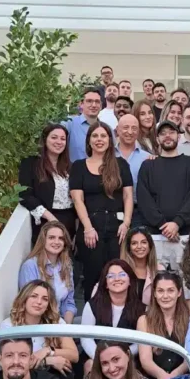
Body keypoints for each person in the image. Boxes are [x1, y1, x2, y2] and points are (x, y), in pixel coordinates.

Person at [69, 122, 134, 300]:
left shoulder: (120, 164)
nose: (99, 140)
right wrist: (88, 228)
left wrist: (126, 223)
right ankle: (91, 313)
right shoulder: (79, 166)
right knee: (93, 276)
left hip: (117, 228)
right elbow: (77, 199)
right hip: (91, 228)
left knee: (116, 275)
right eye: (95, 136)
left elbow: (128, 196)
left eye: (103, 136)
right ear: (89, 141)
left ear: (110, 140)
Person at [136, 120, 190, 270]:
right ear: (157, 139)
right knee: (155, 280)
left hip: (184, 235)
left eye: (171, 132)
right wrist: (163, 225)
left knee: (185, 280)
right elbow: (144, 199)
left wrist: (177, 223)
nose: (167, 136)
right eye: (163, 133)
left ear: (178, 136)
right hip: (155, 236)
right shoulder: (148, 166)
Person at [0, 280, 78, 379]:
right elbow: (15, 363)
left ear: (48, 305)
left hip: (50, 377)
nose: (39, 302)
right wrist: (48, 361)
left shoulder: (56, 322)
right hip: (23, 378)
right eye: (34, 296)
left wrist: (48, 351)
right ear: (24, 299)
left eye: (45, 299)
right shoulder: (9, 325)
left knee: (64, 370)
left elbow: (74, 355)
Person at [18, 123, 75, 245]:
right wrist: (50, 218)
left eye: (63, 139)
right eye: (54, 137)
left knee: (66, 256)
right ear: (45, 140)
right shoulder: (31, 163)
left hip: (68, 221)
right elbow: (24, 195)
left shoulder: (70, 167)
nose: (59, 142)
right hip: (45, 221)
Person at [80, 259, 144, 366]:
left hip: (129, 359)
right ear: (106, 283)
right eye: (111, 276)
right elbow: (86, 339)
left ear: (130, 281)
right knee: (90, 365)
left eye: (122, 274)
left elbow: (141, 343)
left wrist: (123, 357)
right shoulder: (92, 305)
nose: (117, 279)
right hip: (95, 357)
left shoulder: (141, 309)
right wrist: (101, 358)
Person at [137, 271, 190, 379]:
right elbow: (145, 360)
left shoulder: (189, 320)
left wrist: (173, 376)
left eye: (170, 290)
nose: (165, 296)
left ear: (179, 292)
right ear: (154, 293)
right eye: (160, 291)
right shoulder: (144, 321)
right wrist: (162, 376)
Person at [18, 221, 77, 323]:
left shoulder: (67, 267)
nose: (56, 242)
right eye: (51, 237)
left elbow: (69, 303)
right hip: (37, 322)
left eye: (61, 238)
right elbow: (30, 302)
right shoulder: (30, 266)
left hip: (59, 322)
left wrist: (66, 326)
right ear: (43, 240)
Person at [114, 114, 150, 215]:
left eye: (134, 128)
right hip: (113, 210)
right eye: (126, 127)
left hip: (139, 211)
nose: (130, 132)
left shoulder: (147, 158)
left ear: (138, 131)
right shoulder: (109, 156)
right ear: (117, 130)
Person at [121, 226, 164, 305]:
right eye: (134, 243)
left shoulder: (160, 270)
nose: (139, 247)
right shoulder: (121, 269)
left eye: (144, 242)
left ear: (150, 245)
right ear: (129, 248)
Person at [64, 87, 102, 162]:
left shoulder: (106, 129)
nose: (94, 105)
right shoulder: (69, 123)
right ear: (81, 104)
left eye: (97, 101)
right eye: (89, 101)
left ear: (101, 106)